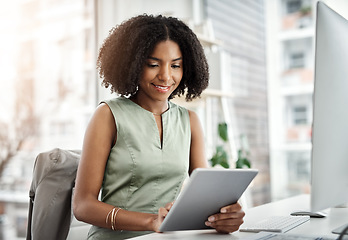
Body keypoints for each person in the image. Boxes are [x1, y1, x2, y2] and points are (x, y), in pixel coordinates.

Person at [73, 14, 245, 239]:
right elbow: (83, 206)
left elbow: (204, 197)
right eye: (153, 64)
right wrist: (151, 221)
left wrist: (224, 217)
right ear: (132, 64)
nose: (165, 76)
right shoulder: (107, 115)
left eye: (175, 65)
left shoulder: (189, 121)